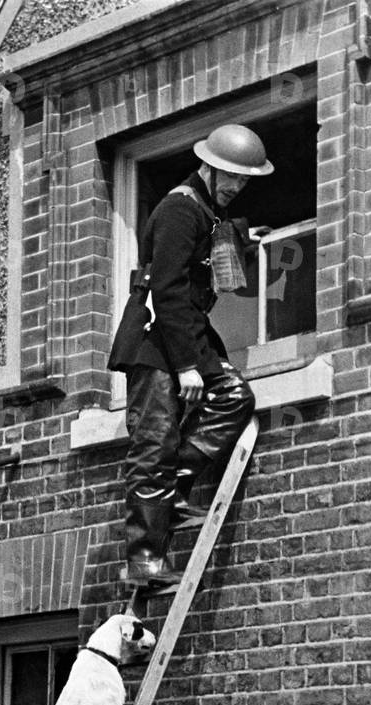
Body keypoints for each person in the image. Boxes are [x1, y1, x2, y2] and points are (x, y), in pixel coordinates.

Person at [109, 124, 273, 587]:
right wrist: (185, 366)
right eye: (230, 177)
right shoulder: (179, 208)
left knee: (234, 397)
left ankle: (172, 493)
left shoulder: (206, 212)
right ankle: (143, 560)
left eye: (244, 180)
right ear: (208, 166)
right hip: (155, 343)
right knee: (154, 443)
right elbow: (167, 288)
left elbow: (210, 244)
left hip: (185, 335)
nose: (236, 186)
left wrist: (243, 235)